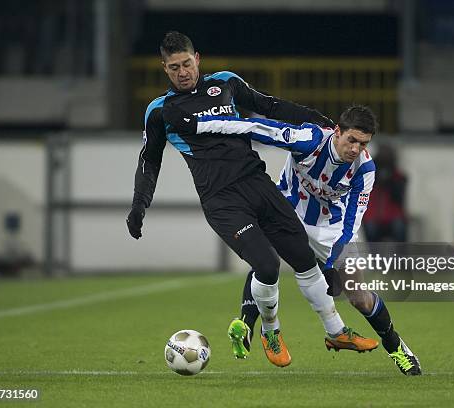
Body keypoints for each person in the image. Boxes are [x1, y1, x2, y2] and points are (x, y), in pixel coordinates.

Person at [126, 31, 377, 368]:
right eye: (174, 67)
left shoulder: (226, 83)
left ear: (197, 58)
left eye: (187, 63)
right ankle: (270, 332)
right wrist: (140, 204)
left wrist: (314, 118)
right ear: (164, 68)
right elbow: (149, 160)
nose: (182, 72)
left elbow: (269, 105)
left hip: (257, 183)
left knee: (303, 257)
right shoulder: (160, 111)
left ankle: (336, 331)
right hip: (222, 200)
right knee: (267, 264)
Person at [165, 105, 422, 376]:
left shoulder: (365, 168)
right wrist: (197, 125)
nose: (356, 149)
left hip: (330, 230)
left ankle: (397, 347)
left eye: (363, 143)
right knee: (263, 258)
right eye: (352, 140)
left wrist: (332, 261)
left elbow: (353, 221)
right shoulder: (309, 140)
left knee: (360, 298)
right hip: (286, 211)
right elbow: (256, 129)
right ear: (337, 132)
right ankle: (250, 325)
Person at [362, 144, 408, 243]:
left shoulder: (398, 177)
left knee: (399, 228)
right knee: (370, 229)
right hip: (373, 215)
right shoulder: (369, 175)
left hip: (393, 215)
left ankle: (401, 257)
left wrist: (390, 181)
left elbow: (399, 198)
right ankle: (374, 257)